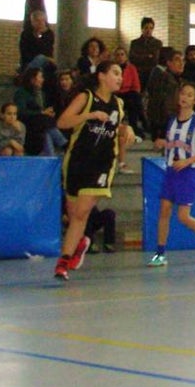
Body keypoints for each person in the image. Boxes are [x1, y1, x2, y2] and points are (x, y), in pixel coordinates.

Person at [54, 60, 125, 281]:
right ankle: (81, 242)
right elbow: (62, 122)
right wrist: (89, 116)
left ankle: (62, 263)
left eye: (121, 74)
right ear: (102, 76)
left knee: (82, 212)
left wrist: (127, 130)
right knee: (74, 214)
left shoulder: (119, 105)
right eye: (115, 73)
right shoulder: (86, 98)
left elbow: (119, 128)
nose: (120, 77)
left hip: (102, 163)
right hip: (77, 161)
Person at [147, 81, 195, 267]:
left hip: (188, 172)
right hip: (171, 170)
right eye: (183, 94)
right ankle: (160, 253)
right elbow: (168, 142)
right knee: (164, 210)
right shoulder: (170, 120)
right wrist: (161, 143)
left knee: (183, 216)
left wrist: (188, 161)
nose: (184, 97)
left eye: (189, 95)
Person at [14, 67, 66, 156]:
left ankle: (52, 153)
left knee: (45, 128)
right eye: (40, 77)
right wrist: (41, 113)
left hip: (40, 126)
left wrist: (46, 113)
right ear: (32, 79)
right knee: (44, 123)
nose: (42, 80)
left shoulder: (41, 93)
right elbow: (21, 111)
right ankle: (62, 143)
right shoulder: (21, 93)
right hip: (28, 123)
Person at [145, 48, 183, 141]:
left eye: (183, 60)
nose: (181, 63)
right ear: (169, 63)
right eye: (177, 60)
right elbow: (158, 103)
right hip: (164, 124)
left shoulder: (179, 80)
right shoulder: (163, 78)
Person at [128, 17, 163, 83]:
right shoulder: (135, 43)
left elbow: (155, 59)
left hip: (152, 75)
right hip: (138, 74)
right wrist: (147, 56)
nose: (148, 30)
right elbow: (132, 58)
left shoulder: (157, 43)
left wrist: (140, 56)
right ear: (142, 28)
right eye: (146, 28)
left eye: (151, 28)